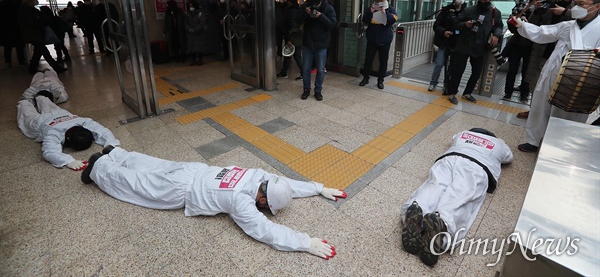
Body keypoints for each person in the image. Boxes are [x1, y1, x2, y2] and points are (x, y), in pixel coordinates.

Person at [81, 145, 346, 258]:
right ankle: (99, 167)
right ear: (262, 199)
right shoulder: (240, 201)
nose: (263, 210)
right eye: (265, 206)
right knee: (138, 185)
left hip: (193, 169)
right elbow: (265, 231)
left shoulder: (256, 175)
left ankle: (117, 153)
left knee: (152, 165)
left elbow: (283, 182)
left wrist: (317, 188)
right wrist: (304, 242)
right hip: (180, 190)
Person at [401, 128, 513, 266]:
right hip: (477, 166)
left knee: (434, 186)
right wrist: (500, 142)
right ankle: (443, 225)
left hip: (449, 159)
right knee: (459, 196)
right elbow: (509, 157)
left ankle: (418, 208)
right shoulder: (498, 144)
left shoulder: (462, 134)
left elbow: (453, 137)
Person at [511, 0, 600, 153]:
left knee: (570, 114)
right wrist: (521, 25)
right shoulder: (568, 26)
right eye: (576, 3)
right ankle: (534, 140)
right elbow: (541, 33)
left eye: (582, 4)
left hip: (581, 79)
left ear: (597, 6)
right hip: (553, 72)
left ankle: (560, 146)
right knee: (540, 106)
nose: (576, 7)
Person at [517, 0, 574, 119]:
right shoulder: (547, 3)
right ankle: (534, 112)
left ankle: (550, 116)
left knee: (555, 87)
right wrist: (536, 11)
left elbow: (583, 23)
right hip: (541, 51)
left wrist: (565, 12)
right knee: (534, 83)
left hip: (563, 56)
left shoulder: (576, 7)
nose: (555, 0)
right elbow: (534, 26)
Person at [17, 95, 120, 169]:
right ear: (68, 139)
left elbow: (103, 132)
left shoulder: (84, 122)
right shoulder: (53, 132)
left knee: (45, 103)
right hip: (41, 122)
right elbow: (49, 152)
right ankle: (24, 102)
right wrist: (68, 161)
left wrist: (111, 145)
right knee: (26, 114)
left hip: (61, 114)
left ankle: (38, 97)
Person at [446, 0, 503, 105]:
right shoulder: (469, 10)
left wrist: (496, 35)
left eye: (485, 0)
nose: (483, 1)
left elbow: (499, 26)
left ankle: (467, 92)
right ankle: (452, 93)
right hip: (464, 45)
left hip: (480, 47)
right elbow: (455, 24)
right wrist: (465, 25)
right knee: (458, 71)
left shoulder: (495, 13)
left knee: (477, 72)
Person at [296, 0, 337, 101]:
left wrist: (321, 16)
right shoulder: (306, 6)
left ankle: (318, 91)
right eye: (311, 4)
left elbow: (333, 25)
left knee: (320, 69)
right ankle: (306, 90)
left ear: (320, 1)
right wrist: (305, 12)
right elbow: (296, 20)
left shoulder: (328, 8)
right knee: (305, 69)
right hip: (308, 43)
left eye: (316, 4)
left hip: (321, 44)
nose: (314, 6)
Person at [427, 0, 466, 93]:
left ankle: (447, 85)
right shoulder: (446, 10)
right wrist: (444, 32)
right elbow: (437, 25)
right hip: (445, 42)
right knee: (439, 63)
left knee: (451, 67)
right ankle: (433, 83)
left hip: (458, 43)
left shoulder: (466, 11)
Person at [358, 0, 398, 90]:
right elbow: (365, 20)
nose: (379, 2)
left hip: (385, 40)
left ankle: (380, 81)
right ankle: (365, 78)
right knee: (368, 60)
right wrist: (371, 12)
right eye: (377, 0)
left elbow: (392, 20)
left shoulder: (390, 9)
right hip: (372, 39)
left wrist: (384, 12)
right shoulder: (371, 8)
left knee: (383, 61)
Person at [17, 0, 67, 74]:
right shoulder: (25, 11)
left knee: (38, 52)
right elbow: (34, 21)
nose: (34, 2)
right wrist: (40, 20)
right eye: (32, 0)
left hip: (35, 34)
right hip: (33, 35)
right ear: (28, 2)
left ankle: (32, 68)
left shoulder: (30, 10)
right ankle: (57, 68)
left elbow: (42, 18)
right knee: (45, 52)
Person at [277, 0, 303, 79]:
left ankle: (285, 72)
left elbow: (292, 26)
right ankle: (286, 72)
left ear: (290, 1)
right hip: (298, 36)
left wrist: (289, 39)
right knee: (295, 55)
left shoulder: (291, 11)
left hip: (293, 36)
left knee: (291, 55)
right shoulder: (298, 9)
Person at [0, 0, 27, 68]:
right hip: (17, 29)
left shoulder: (3, 5)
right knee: (20, 46)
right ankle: (21, 60)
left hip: (6, 30)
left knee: (7, 47)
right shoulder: (19, 6)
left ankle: (8, 62)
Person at [185, 0, 208, 66]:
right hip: (190, 34)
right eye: (190, 6)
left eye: (192, 5)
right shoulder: (187, 13)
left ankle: (200, 60)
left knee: (200, 47)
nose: (191, 7)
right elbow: (185, 23)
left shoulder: (200, 13)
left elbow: (202, 23)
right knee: (191, 47)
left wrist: (195, 30)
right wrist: (189, 29)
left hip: (199, 33)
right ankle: (193, 60)